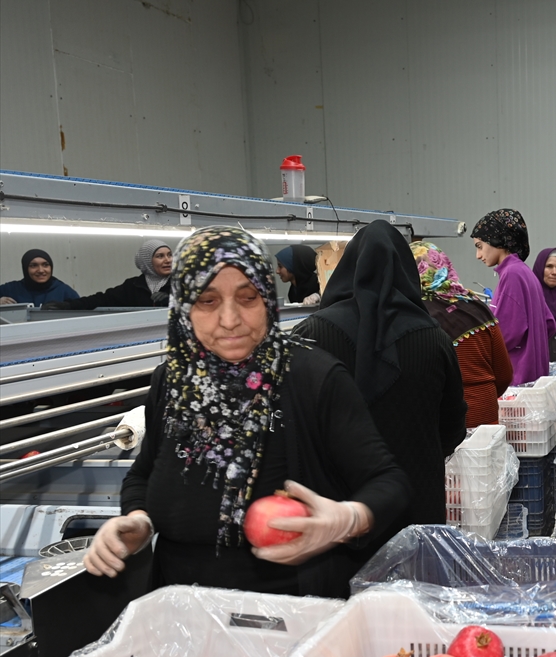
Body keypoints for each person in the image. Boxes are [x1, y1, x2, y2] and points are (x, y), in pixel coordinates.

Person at [82, 226, 409, 600]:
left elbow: (389, 482)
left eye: (248, 297)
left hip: (290, 610)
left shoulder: (313, 378)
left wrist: (350, 518)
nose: (230, 319)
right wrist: (137, 520)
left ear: (268, 298)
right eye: (207, 300)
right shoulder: (172, 382)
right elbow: (144, 473)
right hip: (179, 606)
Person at [296, 221, 467, 530]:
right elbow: (454, 426)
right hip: (418, 505)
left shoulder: (311, 334)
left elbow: (295, 426)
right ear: (406, 271)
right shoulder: (434, 338)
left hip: (336, 512)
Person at [412, 241, 513, 428]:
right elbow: (504, 374)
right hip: (487, 417)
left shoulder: (416, 315)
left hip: (444, 423)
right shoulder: (477, 306)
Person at [472, 208, 555, 385]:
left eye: (480, 246)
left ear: (498, 240)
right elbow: (549, 323)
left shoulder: (512, 274)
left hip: (518, 380)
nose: (478, 255)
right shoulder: (525, 272)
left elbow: (506, 333)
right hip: (534, 377)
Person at [49, 240, 173, 310]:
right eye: (160, 256)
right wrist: (69, 305)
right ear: (147, 261)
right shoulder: (133, 286)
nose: (168, 260)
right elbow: (102, 299)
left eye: (169, 255)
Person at [0, 249, 79, 307]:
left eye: (45, 265)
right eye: (34, 265)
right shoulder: (12, 289)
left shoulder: (64, 291)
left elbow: (82, 313)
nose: (41, 270)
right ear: (25, 269)